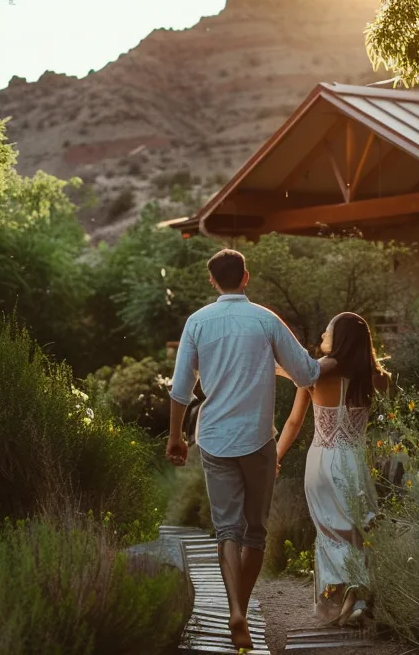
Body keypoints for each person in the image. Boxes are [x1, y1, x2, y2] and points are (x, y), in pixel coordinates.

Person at [167, 248, 321, 650]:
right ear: (246, 277)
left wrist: (176, 437)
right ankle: (243, 606)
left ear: (212, 281)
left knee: (226, 529)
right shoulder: (266, 320)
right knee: (255, 530)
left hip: (215, 438)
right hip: (258, 439)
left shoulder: (197, 322)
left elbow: (181, 389)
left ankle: (236, 609)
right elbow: (306, 372)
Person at [276, 311, 393, 627]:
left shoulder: (315, 375)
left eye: (327, 331)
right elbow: (393, 406)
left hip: (322, 460)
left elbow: (294, 422)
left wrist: (275, 456)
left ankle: (344, 598)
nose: (322, 337)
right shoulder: (377, 377)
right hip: (354, 461)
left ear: (338, 338)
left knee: (330, 533)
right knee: (356, 530)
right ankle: (359, 597)